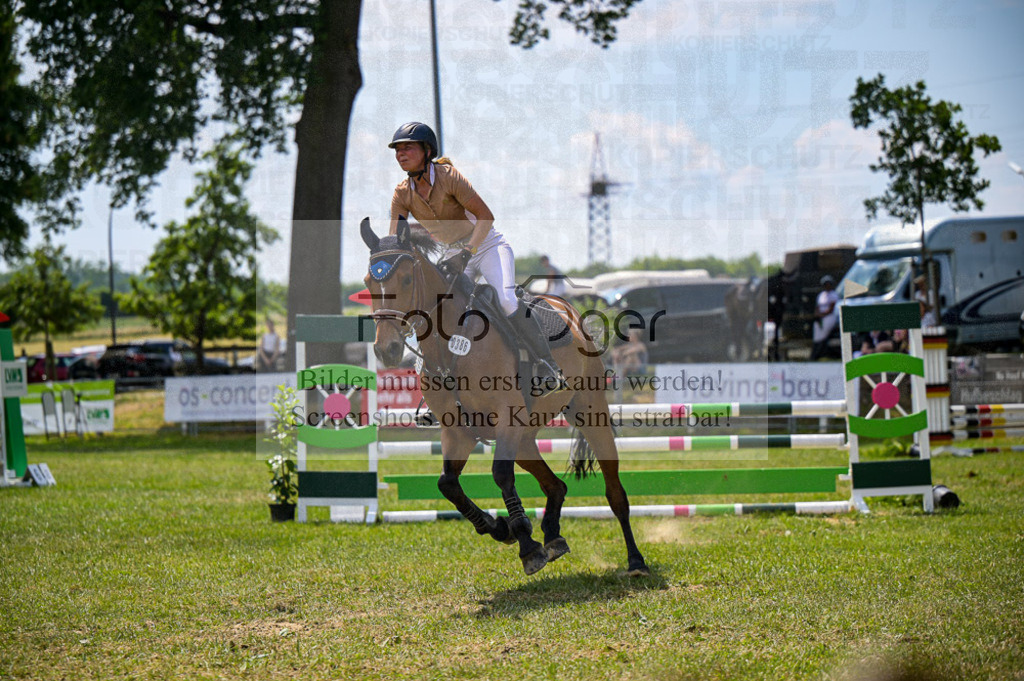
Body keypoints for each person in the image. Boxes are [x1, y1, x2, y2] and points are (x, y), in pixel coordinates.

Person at [387, 122, 565, 394]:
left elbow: (486, 216)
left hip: (486, 245)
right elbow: (397, 239)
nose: (401, 153)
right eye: (397, 149)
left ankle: (547, 365)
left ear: (426, 150)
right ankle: (435, 388)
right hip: (453, 253)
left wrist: (467, 253)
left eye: (408, 147)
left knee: (506, 300)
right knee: (435, 310)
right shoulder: (402, 193)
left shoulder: (448, 177)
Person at [809, 275, 839, 361]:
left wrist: (822, 315)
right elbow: (817, 307)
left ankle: (820, 351)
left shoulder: (833, 295)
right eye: (825, 284)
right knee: (816, 332)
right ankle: (815, 352)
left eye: (829, 284)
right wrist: (817, 315)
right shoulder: (821, 295)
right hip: (820, 317)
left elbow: (831, 309)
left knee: (823, 333)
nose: (827, 286)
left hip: (829, 317)